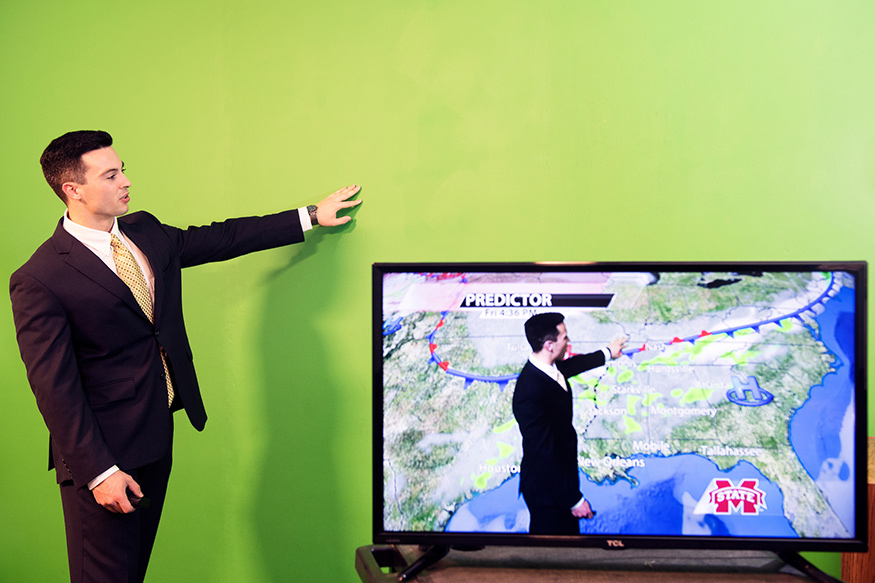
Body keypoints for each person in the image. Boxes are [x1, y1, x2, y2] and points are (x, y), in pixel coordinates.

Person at [9, 130, 362, 582]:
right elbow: (54, 388)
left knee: (131, 572)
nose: (126, 181)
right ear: (72, 190)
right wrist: (98, 472)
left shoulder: (144, 232)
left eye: (123, 169)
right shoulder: (40, 278)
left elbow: (222, 238)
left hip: (155, 436)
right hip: (102, 454)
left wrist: (310, 216)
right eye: (112, 174)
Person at [512, 312, 626, 535]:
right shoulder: (529, 393)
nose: (568, 341)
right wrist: (573, 500)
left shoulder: (548, 367)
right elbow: (544, 453)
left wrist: (607, 353)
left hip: (557, 481)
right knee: (554, 553)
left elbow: (572, 366)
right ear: (549, 345)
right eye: (564, 337)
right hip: (547, 490)